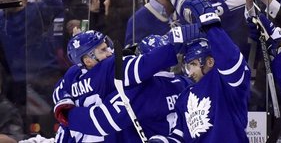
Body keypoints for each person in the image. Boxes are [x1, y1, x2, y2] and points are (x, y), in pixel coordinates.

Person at [149, 0, 251, 142]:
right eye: (188, 65)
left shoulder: (226, 83)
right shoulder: (185, 96)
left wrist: (211, 24)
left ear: (209, 62)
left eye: (193, 64)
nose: (190, 72)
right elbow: (180, 136)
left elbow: (230, 58)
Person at [54, 35, 190, 141]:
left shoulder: (140, 89)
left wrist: (68, 115)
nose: (109, 53)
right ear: (87, 60)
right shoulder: (186, 83)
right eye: (103, 49)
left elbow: (102, 122)